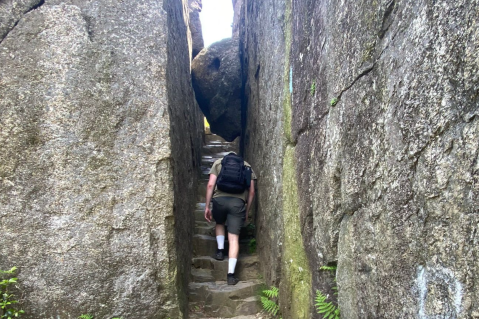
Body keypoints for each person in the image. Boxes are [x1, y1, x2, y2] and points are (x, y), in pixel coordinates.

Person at [204, 152, 256, 285]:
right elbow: (251, 192)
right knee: (234, 239)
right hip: (237, 203)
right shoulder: (247, 166)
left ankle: (220, 251)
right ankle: (231, 275)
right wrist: (247, 210)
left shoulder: (218, 163)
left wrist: (207, 206)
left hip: (219, 201)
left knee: (220, 223)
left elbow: (210, 185)